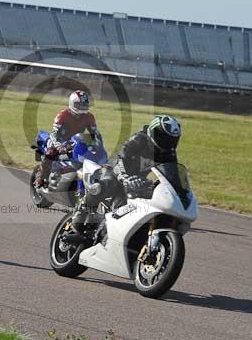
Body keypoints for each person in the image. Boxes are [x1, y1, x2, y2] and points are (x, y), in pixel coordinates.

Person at [64, 114, 181, 243]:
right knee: (103, 185)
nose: (167, 143)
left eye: (171, 140)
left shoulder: (168, 154)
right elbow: (121, 159)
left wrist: (177, 191)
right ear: (154, 132)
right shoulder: (139, 139)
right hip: (113, 171)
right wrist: (126, 177)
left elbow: (171, 175)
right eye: (164, 138)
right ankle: (78, 217)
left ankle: (106, 236)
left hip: (135, 183)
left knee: (124, 213)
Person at [34, 90, 102, 188]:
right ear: (72, 104)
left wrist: (98, 144)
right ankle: (40, 178)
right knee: (50, 152)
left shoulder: (89, 117)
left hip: (76, 140)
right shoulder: (62, 115)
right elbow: (54, 134)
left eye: (84, 104)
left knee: (89, 155)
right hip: (60, 140)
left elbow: (95, 133)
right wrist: (58, 146)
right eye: (79, 104)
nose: (82, 107)